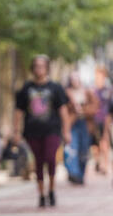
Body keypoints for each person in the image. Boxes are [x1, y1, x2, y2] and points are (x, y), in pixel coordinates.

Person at [14, 55, 71, 208]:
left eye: (42, 66)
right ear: (33, 68)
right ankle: (41, 194)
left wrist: (66, 131)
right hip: (32, 131)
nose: (39, 69)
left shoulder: (55, 87)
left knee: (50, 158)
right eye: (36, 66)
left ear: (47, 68)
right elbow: (18, 111)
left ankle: (51, 189)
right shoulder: (26, 88)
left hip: (52, 129)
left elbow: (63, 110)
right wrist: (16, 132)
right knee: (38, 162)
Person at [64, 71, 97, 185]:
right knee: (72, 148)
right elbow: (63, 110)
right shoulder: (67, 93)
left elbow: (95, 107)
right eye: (72, 79)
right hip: (73, 123)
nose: (75, 81)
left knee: (84, 150)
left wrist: (83, 110)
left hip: (85, 123)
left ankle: (81, 174)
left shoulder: (87, 92)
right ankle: (74, 173)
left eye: (76, 78)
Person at [91, 66, 112, 175]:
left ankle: (105, 165)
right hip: (94, 120)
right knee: (95, 144)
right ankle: (97, 161)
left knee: (104, 142)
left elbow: (110, 107)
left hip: (104, 120)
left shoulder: (108, 91)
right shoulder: (92, 90)